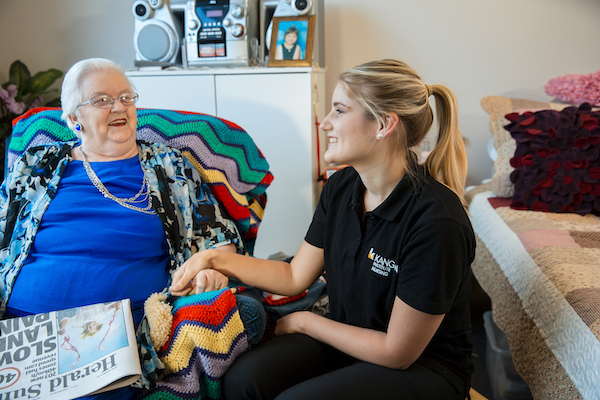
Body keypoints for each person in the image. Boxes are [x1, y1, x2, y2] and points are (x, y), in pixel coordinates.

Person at [170, 59, 475, 400]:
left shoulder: (436, 223)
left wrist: (305, 321)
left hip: (424, 367)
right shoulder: (342, 187)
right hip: (350, 339)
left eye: (340, 111)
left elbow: (396, 352)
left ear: (384, 125)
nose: (325, 123)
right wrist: (212, 259)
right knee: (243, 380)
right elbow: (293, 276)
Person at [0, 58, 243, 400]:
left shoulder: (167, 166)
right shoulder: (36, 167)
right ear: (73, 120)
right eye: (102, 100)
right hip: (25, 333)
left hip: (115, 336)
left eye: (126, 97)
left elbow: (220, 240)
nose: (119, 106)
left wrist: (211, 271)